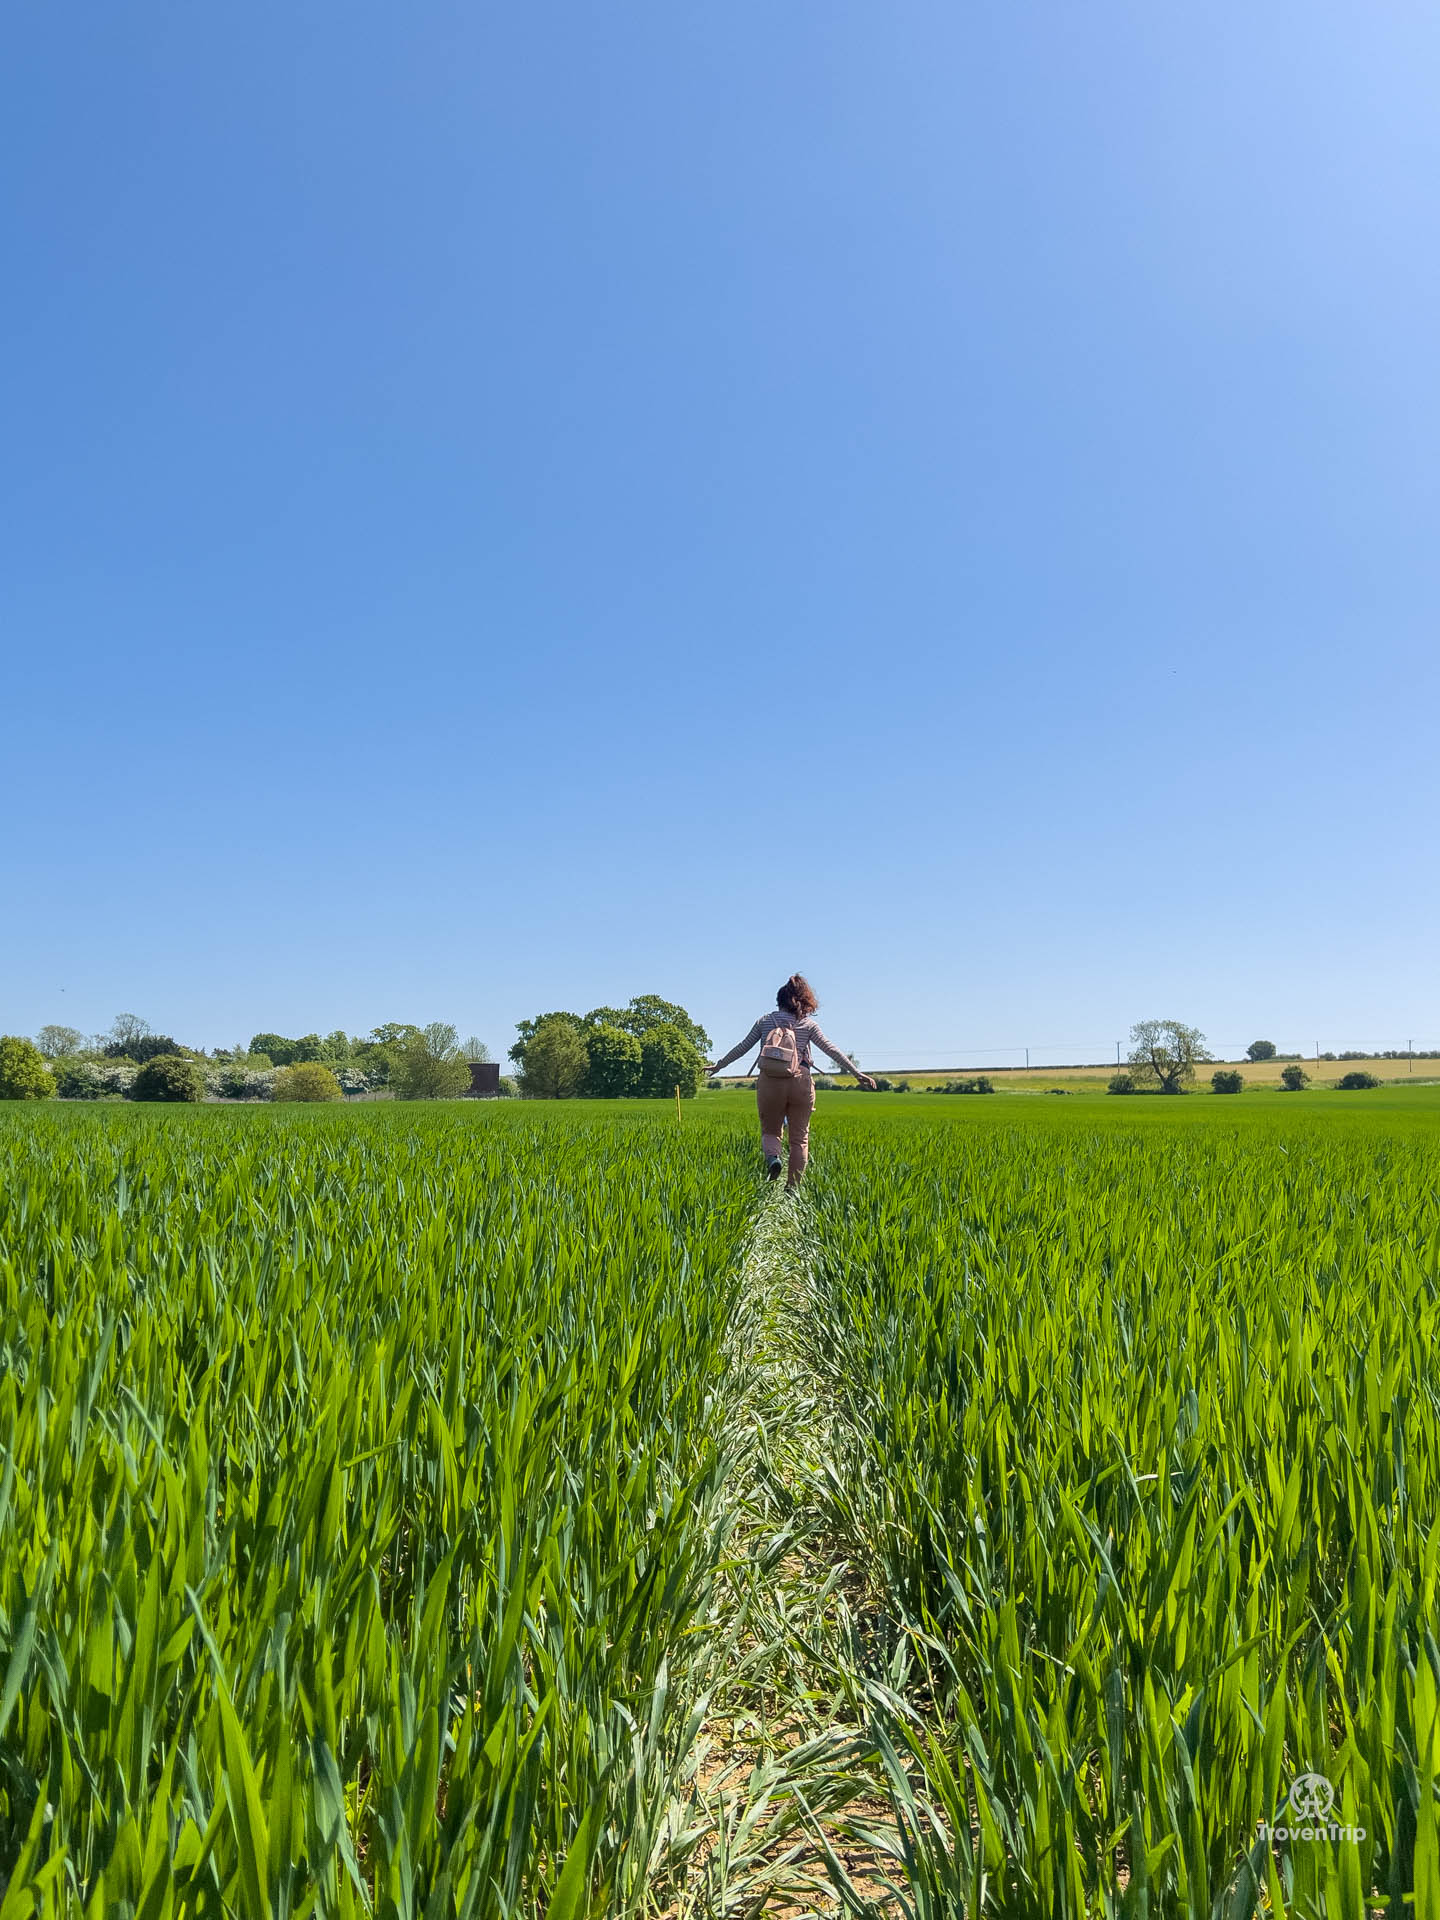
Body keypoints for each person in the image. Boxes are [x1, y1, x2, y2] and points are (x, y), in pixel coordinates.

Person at [707, 974, 876, 1185]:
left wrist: (719, 1065)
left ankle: (773, 1159)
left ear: (779, 1000)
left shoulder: (765, 1021)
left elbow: (742, 1047)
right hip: (801, 1082)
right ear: (806, 1001)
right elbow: (830, 1049)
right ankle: (792, 1189)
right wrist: (856, 1073)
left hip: (770, 1083)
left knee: (770, 1131)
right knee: (799, 1139)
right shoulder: (808, 1025)